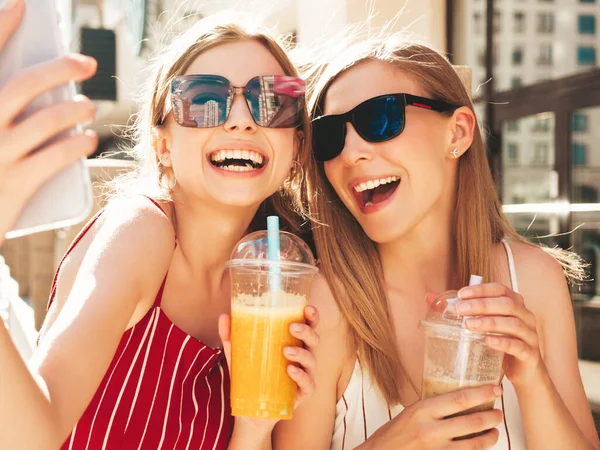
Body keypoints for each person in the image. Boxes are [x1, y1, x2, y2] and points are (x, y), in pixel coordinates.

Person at [0, 4, 320, 449]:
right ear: (163, 144)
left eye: (273, 102)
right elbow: (29, 439)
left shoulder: (272, 282)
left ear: (297, 146)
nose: (241, 119)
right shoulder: (142, 233)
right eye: (205, 99)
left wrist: (253, 427)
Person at [275, 36, 600, 449]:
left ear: (458, 133)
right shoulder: (324, 305)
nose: (351, 151)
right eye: (330, 135)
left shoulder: (535, 279)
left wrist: (533, 379)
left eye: (380, 118)